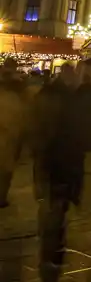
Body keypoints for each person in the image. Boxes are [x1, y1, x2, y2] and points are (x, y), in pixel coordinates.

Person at [30, 63, 91, 282]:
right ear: (69, 77)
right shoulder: (66, 100)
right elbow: (74, 132)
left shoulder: (49, 95)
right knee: (56, 207)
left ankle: (50, 246)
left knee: (52, 205)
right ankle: (51, 252)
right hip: (60, 161)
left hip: (49, 160)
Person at [0, 58, 28, 207]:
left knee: (6, 169)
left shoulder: (14, 95)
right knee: (6, 170)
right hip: (9, 137)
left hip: (9, 137)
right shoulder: (16, 96)